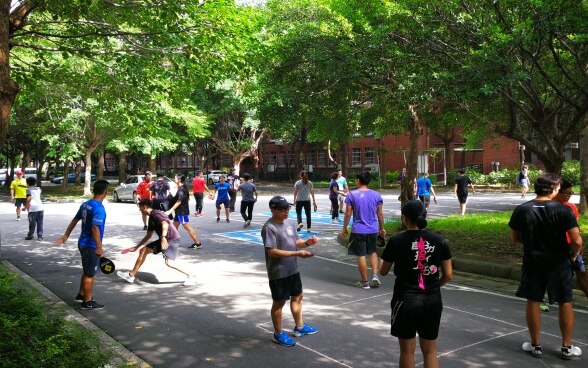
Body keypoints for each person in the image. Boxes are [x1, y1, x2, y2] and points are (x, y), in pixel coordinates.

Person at [508, 174, 583, 360]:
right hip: (559, 262)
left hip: (532, 261)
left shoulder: (522, 209)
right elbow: (576, 240)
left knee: (533, 300)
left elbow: (515, 238)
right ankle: (567, 347)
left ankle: (536, 346)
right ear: (554, 189)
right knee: (565, 301)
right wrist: (573, 255)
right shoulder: (563, 210)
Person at [380, 200, 453, 368]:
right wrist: (434, 286)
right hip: (432, 300)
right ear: (424, 215)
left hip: (405, 300)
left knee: (407, 351)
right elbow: (448, 274)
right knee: (430, 350)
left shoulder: (396, 241)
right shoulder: (438, 239)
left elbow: (383, 271)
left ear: (404, 218)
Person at [261, 196, 319, 347]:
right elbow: (272, 252)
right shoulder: (269, 227)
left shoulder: (289, 223)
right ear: (273, 209)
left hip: (292, 269)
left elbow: (296, 242)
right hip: (278, 272)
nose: (286, 212)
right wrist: (298, 254)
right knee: (279, 302)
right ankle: (278, 334)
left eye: (287, 208)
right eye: (281, 209)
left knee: (298, 296)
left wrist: (307, 243)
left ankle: (299, 327)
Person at [55, 180, 109, 309]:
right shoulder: (99, 208)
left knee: (87, 270)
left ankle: (81, 294)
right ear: (105, 192)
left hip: (83, 242)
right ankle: (87, 302)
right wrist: (99, 247)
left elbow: (75, 219)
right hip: (91, 245)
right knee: (90, 273)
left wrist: (66, 235)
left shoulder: (86, 204)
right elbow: (95, 228)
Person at [117, 200, 197, 286]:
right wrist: (136, 247)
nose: (140, 211)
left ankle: (191, 276)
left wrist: (162, 237)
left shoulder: (156, 213)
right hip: (164, 238)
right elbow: (148, 236)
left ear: (144, 207)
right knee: (143, 250)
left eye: (140, 209)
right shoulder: (151, 218)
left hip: (171, 239)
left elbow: (165, 224)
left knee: (169, 263)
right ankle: (131, 275)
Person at [340, 171, 386, 289]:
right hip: (373, 229)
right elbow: (380, 214)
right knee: (372, 252)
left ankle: (365, 282)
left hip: (358, 230)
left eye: (356, 179)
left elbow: (348, 214)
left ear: (359, 181)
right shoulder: (376, 195)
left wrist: (344, 228)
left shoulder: (352, 195)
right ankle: (375, 275)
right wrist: (382, 228)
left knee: (361, 255)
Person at [554, 179, 588, 299]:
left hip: (572, 245)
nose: (569, 196)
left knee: (582, 272)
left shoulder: (571, 207)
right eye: (566, 193)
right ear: (557, 192)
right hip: (556, 247)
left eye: (571, 193)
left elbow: (576, 228)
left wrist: (579, 245)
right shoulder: (550, 208)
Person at [166, 174, 202, 249]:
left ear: (179, 179)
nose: (174, 179)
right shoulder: (182, 188)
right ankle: (172, 242)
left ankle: (197, 243)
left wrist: (170, 210)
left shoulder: (181, 189)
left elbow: (179, 201)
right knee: (174, 227)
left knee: (188, 227)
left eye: (175, 178)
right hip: (180, 212)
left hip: (181, 212)